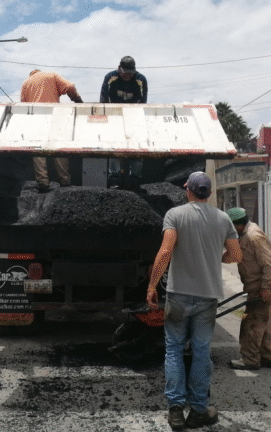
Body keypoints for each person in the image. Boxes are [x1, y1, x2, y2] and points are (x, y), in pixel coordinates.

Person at [146, 172, 242, 430]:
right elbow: (235, 255)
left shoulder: (175, 215)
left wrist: (152, 285)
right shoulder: (223, 219)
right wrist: (216, 259)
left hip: (178, 296)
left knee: (174, 349)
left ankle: (176, 411)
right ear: (208, 193)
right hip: (207, 296)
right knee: (201, 351)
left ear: (187, 190)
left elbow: (166, 251)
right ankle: (199, 409)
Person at [226, 207, 271, 371]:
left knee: (251, 324)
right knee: (263, 323)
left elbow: (270, 264)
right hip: (259, 285)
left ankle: (250, 360)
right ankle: (268, 357)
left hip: (264, 286)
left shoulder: (253, 236)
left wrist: (266, 288)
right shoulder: (245, 234)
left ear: (237, 225)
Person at [21, 69, 83, 193]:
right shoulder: (51, 75)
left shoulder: (26, 83)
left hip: (36, 118)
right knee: (57, 147)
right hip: (54, 115)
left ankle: (43, 182)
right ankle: (64, 181)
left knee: (38, 150)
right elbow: (70, 86)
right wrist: (77, 100)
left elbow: (24, 106)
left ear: (31, 74)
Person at [100, 56, 148, 190]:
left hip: (134, 117)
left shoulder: (141, 79)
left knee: (137, 146)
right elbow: (103, 99)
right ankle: (114, 178)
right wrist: (107, 118)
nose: (127, 76)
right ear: (119, 69)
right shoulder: (110, 77)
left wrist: (137, 119)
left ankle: (135, 180)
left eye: (130, 73)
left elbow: (143, 101)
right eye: (125, 72)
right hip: (114, 116)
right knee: (114, 146)